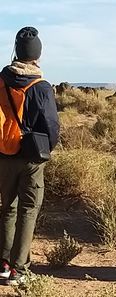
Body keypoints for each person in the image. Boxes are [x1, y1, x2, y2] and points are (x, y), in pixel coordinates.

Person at [0, 27, 59, 285]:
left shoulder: (1, 81)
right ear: (38, 54)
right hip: (32, 157)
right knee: (28, 210)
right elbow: (51, 126)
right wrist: (47, 149)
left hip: (3, 153)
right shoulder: (41, 87)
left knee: (7, 208)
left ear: (16, 51)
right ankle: (19, 269)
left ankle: (2, 263)